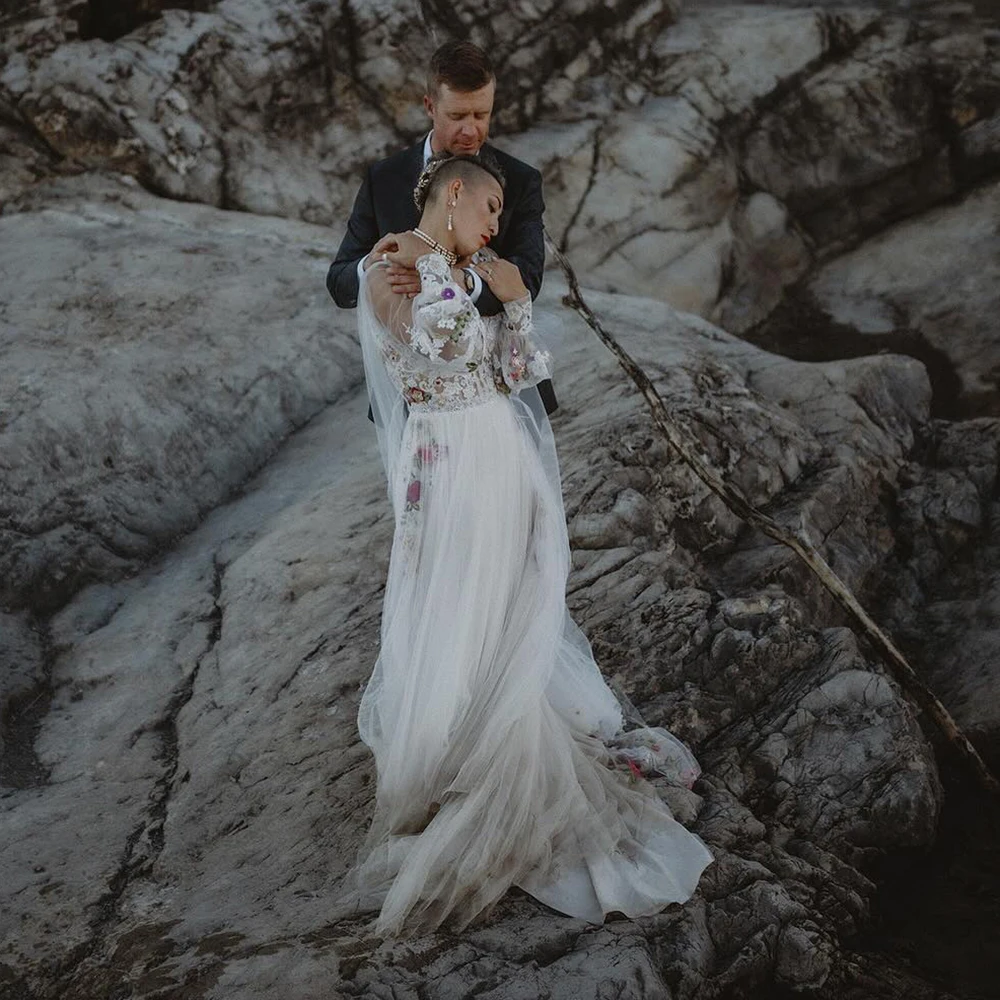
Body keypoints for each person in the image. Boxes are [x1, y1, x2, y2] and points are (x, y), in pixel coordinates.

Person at [334, 148, 714, 938]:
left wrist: (511, 301)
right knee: (452, 595)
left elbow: (513, 369)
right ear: (458, 194)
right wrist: (461, 278)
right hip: (447, 459)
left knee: (506, 595)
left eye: (501, 218)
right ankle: (454, 743)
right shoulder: (390, 269)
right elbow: (429, 346)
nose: (497, 227)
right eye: (491, 212)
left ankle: (493, 706)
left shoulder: (456, 267)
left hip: (499, 455)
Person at [326, 39, 557, 416]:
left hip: (500, 393)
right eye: (458, 116)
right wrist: (377, 267)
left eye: (481, 115)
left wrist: (453, 280)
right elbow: (339, 281)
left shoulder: (520, 180)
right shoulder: (383, 178)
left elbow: (527, 279)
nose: (470, 130)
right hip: (411, 399)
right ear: (430, 107)